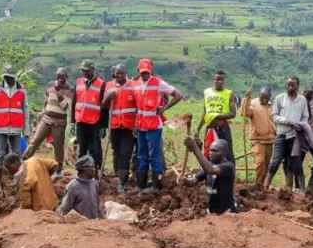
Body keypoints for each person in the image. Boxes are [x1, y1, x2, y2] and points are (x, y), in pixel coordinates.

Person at [133, 58, 183, 192]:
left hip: (154, 126)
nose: (145, 74)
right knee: (141, 155)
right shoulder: (136, 84)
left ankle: (156, 186)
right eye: (142, 72)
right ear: (138, 71)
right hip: (141, 126)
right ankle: (141, 185)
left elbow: (178, 95)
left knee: (154, 156)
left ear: (151, 71)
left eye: (147, 72)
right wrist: (135, 126)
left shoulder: (158, 83)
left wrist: (164, 108)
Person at [0, 65, 30, 192]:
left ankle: (19, 180)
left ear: (14, 77)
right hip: (0, 127)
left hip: (16, 128)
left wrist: (26, 131)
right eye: (6, 77)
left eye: (10, 77)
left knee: (17, 154)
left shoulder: (21, 90)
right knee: (0, 154)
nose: (8, 79)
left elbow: (26, 111)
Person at [23, 68, 74, 170]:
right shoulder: (50, 84)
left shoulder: (70, 89)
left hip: (59, 123)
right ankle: (23, 161)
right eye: (58, 77)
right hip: (46, 120)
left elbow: (64, 106)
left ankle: (59, 169)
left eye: (62, 77)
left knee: (58, 146)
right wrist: (43, 111)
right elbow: (46, 100)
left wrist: (58, 91)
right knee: (35, 141)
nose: (60, 79)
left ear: (66, 77)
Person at [266, 76, 308, 191]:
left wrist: (300, 125)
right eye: (288, 84)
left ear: (297, 86)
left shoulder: (302, 100)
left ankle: (291, 189)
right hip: (282, 134)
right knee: (276, 161)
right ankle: (265, 187)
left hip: (295, 136)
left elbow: (305, 116)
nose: (290, 87)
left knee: (294, 162)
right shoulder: (280, 98)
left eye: (293, 85)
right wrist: (287, 121)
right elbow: (274, 116)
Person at [101, 64, 138, 192]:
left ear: (126, 73)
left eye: (122, 73)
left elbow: (139, 106)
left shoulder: (134, 85)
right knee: (117, 152)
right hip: (115, 126)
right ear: (114, 73)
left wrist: (136, 125)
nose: (120, 75)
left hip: (129, 127)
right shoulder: (109, 86)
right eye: (117, 73)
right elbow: (103, 106)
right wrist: (108, 97)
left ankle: (123, 182)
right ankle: (120, 177)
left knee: (125, 154)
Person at [183, 137, 237, 215]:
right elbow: (193, 181)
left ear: (225, 153)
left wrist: (195, 148)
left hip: (227, 213)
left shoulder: (228, 167)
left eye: (215, 151)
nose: (211, 153)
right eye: (210, 150)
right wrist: (184, 180)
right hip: (212, 213)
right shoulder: (208, 166)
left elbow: (210, 169)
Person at [70, 60, 108, 171]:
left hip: (95, 123)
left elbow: (105, 107)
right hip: (81, 122)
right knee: (82, 148)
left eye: (87, 70)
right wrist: (72, 122)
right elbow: (74, 103)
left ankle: (95, 169)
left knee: (95, 149)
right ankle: (82, 171)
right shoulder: (78, 82)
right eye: (83, 70)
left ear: (92, 70)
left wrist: (103, 126)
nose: (85, 73)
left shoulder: (101, 84)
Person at [196, 70, 237, 164]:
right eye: (217, 79)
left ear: (224, 81)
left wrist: (216, 115)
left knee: (228, 154)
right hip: (210, 129)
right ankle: (209, 173)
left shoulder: (229, 93)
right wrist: (198, 129)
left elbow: (233, 114)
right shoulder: (207, 92)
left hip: (223, 129)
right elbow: (205, 112)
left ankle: (230, 173)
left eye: (222, 79)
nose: (220, 82)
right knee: (209, 154)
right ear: (213, 80)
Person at [241, 87, 276, 187]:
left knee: (267, 164)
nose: (264, 99)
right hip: (257, 139)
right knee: (260, 162)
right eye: (262, 97)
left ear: (270, 97)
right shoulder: (253, 103)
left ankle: (264, 186)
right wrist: (246, 99)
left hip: (270, 139)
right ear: (259, 95)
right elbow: (245, 113)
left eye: (266, 97)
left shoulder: (273, 105)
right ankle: (258, 185)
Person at [59, 155, 102, 220]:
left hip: (94, 223)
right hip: (80, 224)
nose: (94, 169)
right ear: (84, 170)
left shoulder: (94, 183)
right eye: (92, 167)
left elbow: (98, 206)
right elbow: (65, 210)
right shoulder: (73, 187)